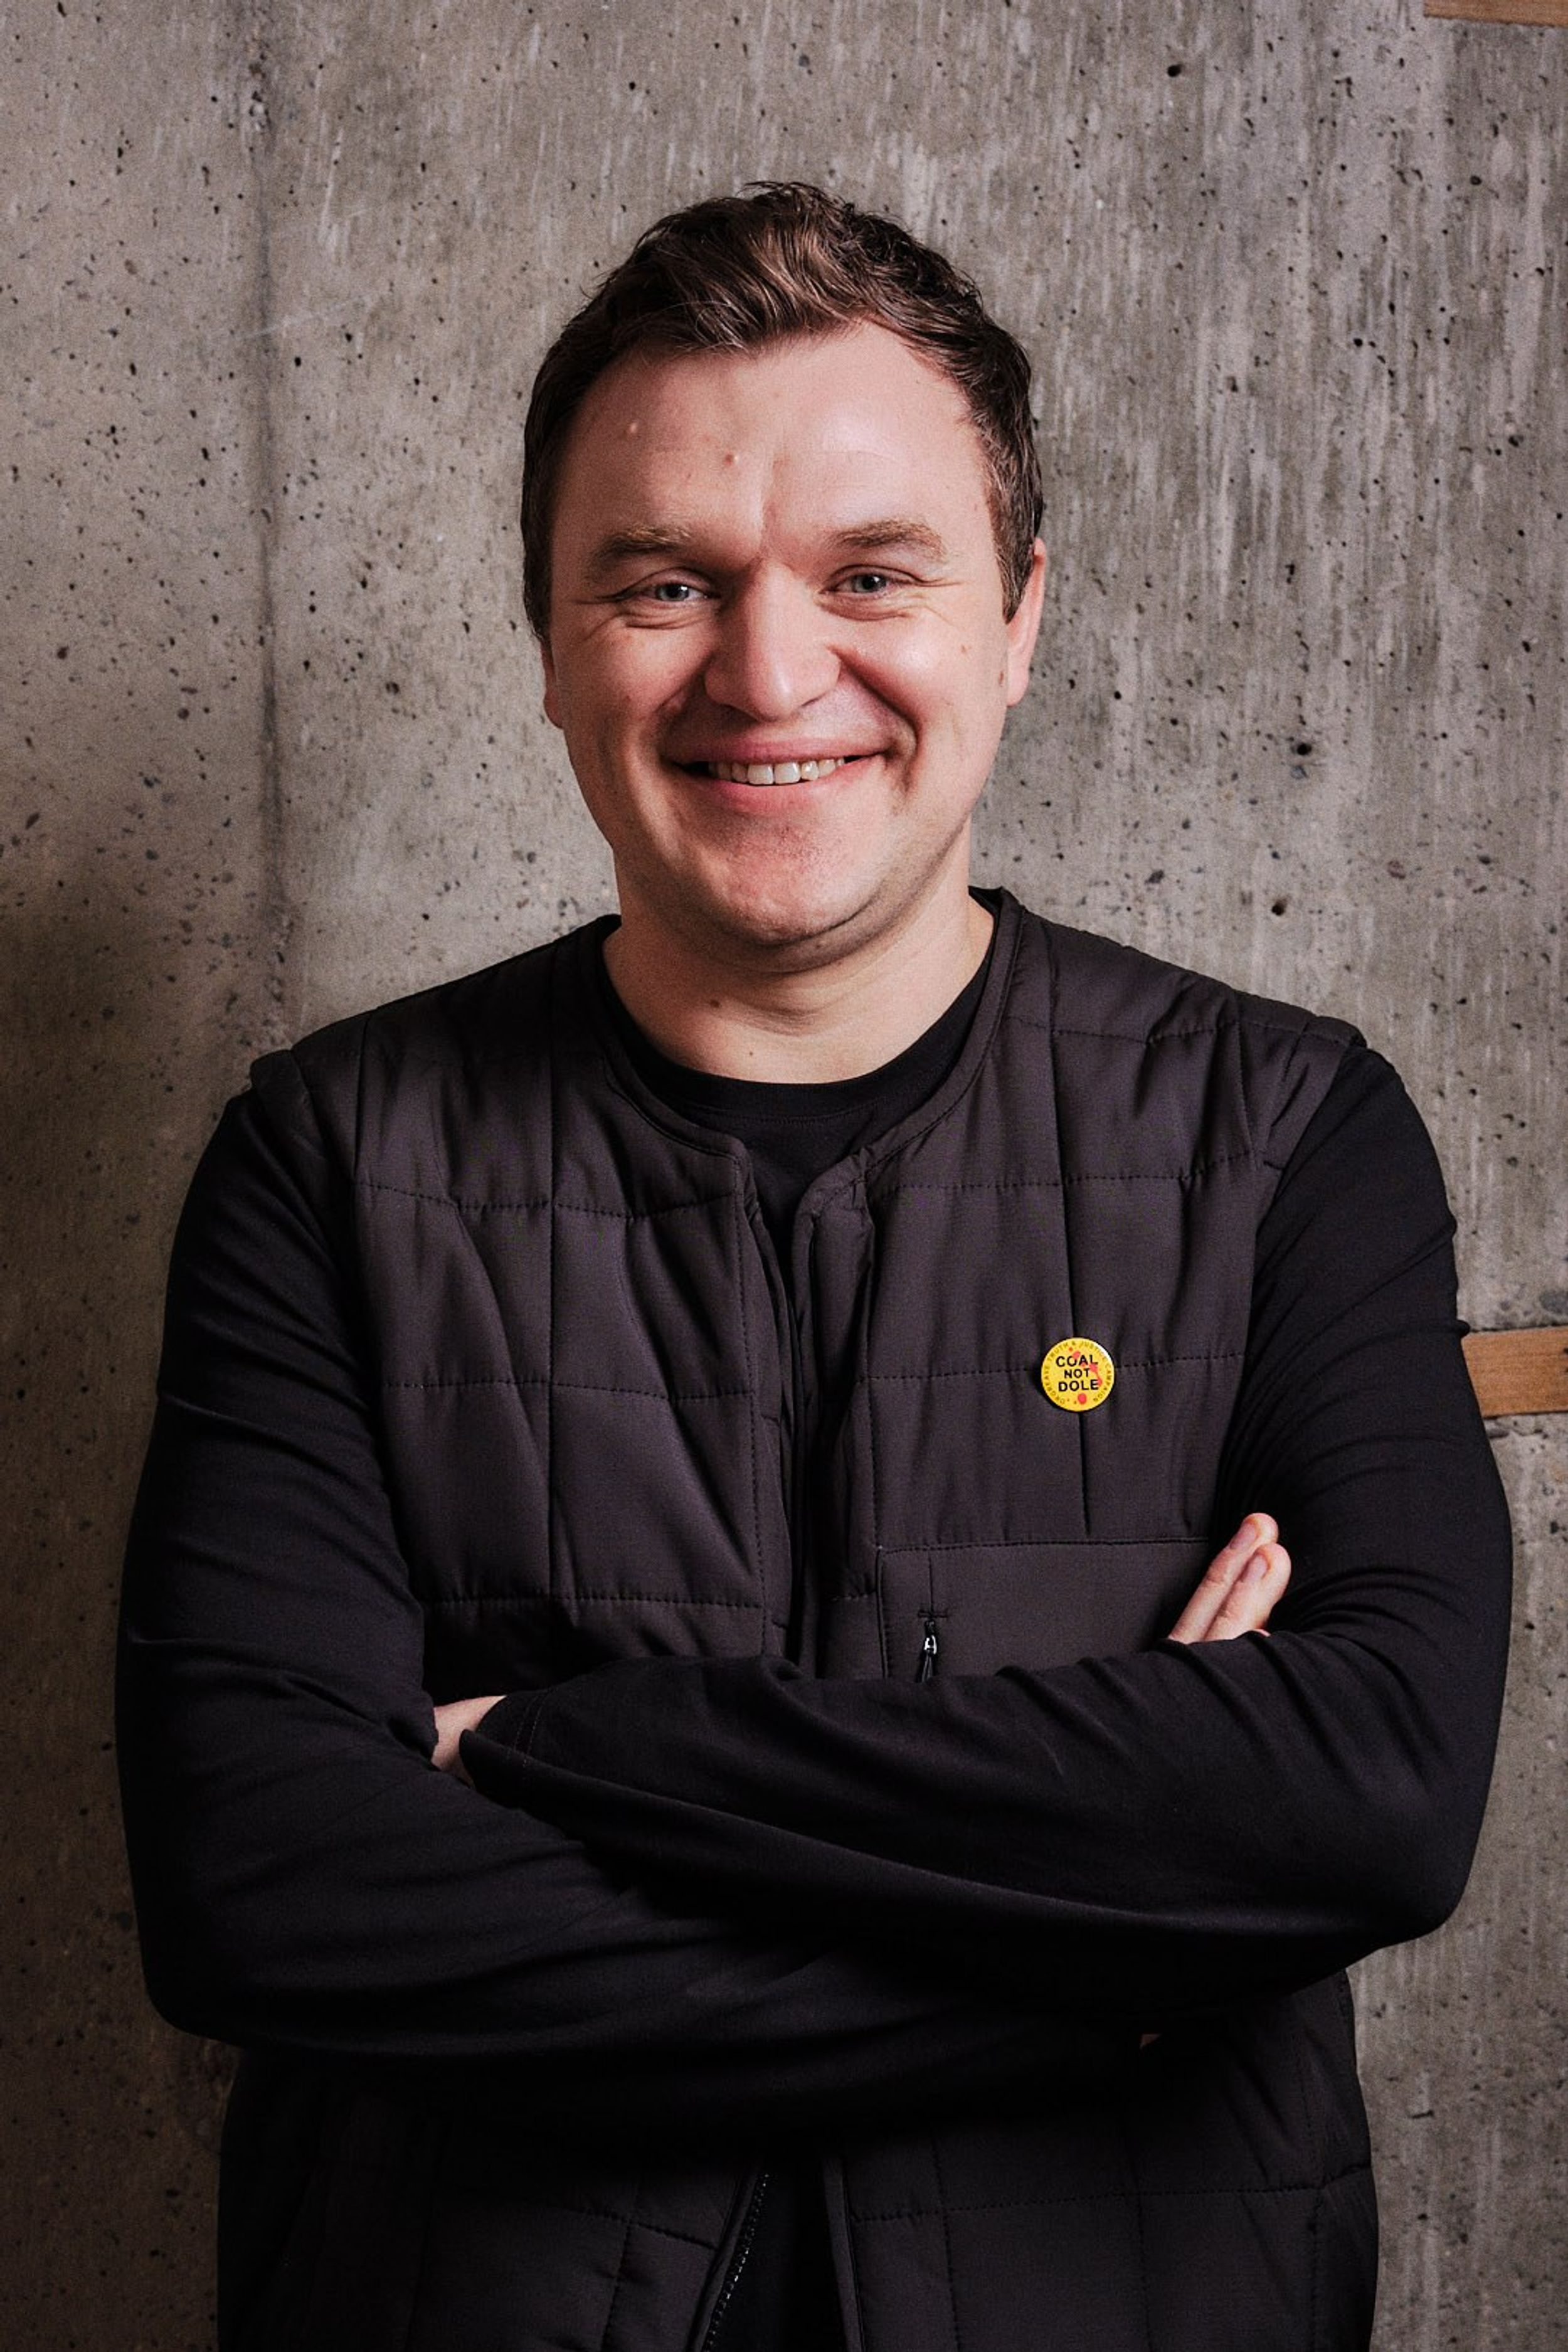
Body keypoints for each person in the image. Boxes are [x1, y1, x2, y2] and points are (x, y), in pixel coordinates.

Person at [118, 183, 1511, 2352]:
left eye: (872, 575)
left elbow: (1377, 1797)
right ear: (551, 635)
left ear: (1020, 616)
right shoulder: (329, 1162)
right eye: (664, 583)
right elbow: (269, 1890)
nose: (771, 675)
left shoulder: (1284, 1140)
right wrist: (1119, 1946)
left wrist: (568, 1752)